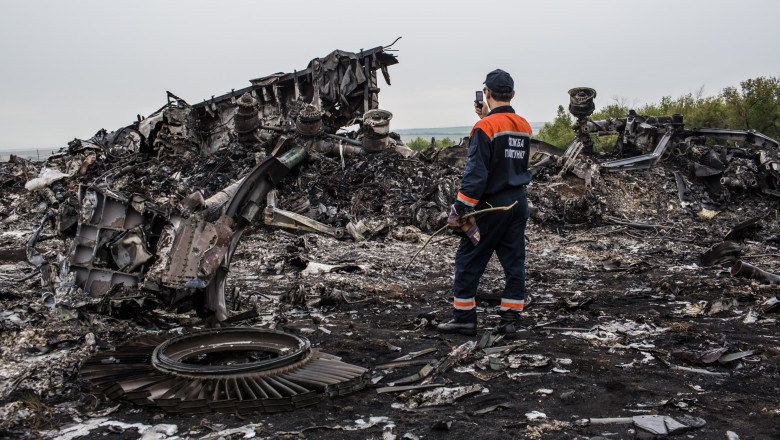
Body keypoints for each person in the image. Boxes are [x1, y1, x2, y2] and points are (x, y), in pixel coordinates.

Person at [437, 69, 532, 336]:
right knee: (514, 262)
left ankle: (464, 318)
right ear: (512, 94)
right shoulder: (524, 125)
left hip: (491, 207)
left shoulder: (484, 128)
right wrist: (485, 116)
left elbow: (476, 174)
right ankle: (510, 319)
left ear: (486, 94)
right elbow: (508, 155)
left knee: (468, 260)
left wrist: (461, 208)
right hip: (518, 203)